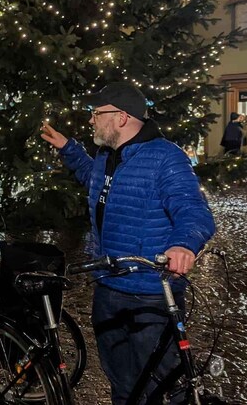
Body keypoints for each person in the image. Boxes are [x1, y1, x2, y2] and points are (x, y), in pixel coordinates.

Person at [39, 82, 215, 404]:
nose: (91, 120)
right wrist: (69, 148)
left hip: (150, 296)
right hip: (108, 288)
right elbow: (94, 178)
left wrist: (183, 245)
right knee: (122, 385)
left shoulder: (166, 158)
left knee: (164, 385)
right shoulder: (108, 155)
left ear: (121, 117)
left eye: (97, 114)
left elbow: (194, 211)